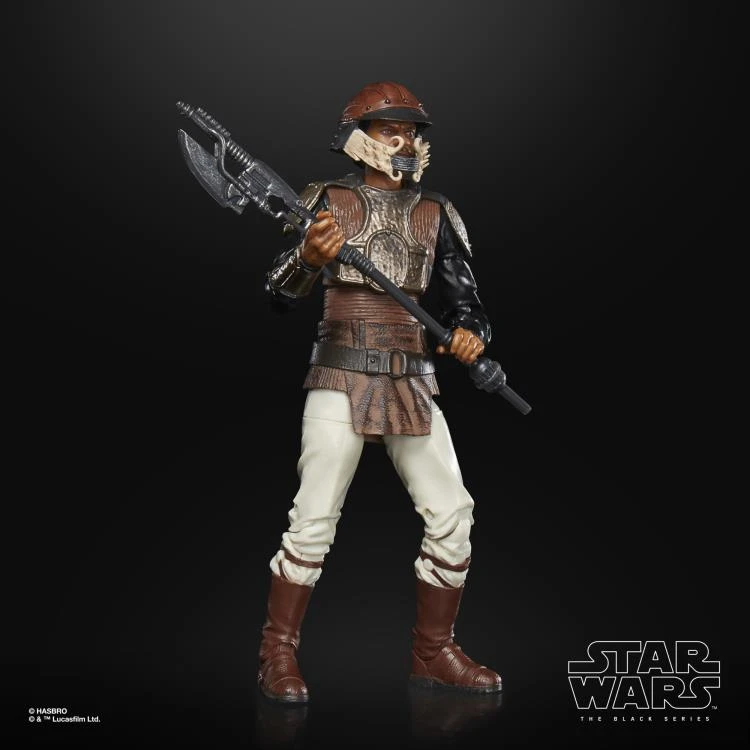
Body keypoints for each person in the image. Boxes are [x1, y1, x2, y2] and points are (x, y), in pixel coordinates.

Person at [258, 82, 502, 702]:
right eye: (391, 130)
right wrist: (309, 258)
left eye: (411, 131)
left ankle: (433, 652)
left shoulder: (436, 212)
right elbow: (280, 293)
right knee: (312, 520)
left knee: (453, 514)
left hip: (411, 377)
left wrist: (470, 334)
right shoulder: (324, 200)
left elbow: (467, 303)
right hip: (340, 370)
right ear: (360, 135)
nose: (405, 141)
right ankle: (277, 653)